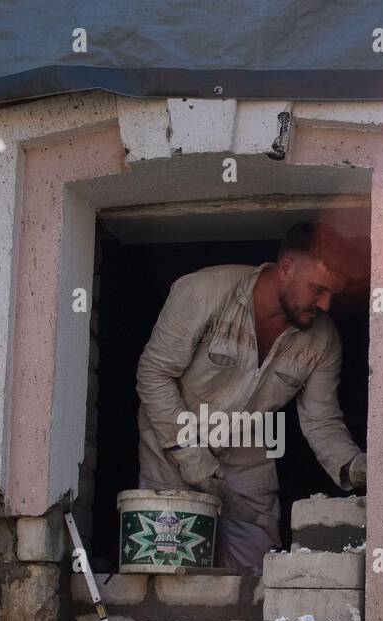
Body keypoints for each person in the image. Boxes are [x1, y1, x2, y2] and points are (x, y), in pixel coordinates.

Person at [135, 221, 367, 570]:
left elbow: (321, 420)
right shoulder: (202, 292)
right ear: (286, 267)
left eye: (333, 294)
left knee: (256, 585)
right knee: (169, 577)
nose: (326, 305)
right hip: (172, 456)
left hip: (247, 466)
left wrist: (356, 466)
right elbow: (153, 374)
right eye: (318, 290)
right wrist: (190, 454)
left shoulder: (323, 340)